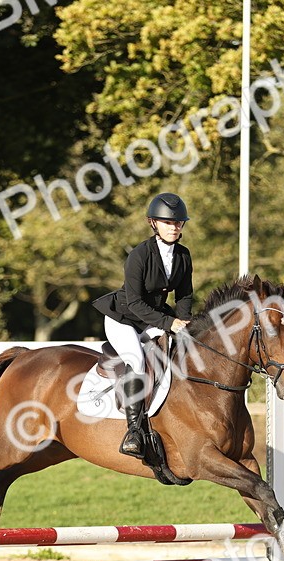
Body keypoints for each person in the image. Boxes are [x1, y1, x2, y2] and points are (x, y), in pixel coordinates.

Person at [92, 192, 195, 458]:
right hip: (123, 318)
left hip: (155, 318)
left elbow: (184, 295)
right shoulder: (139, 255)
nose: (174, 227)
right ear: (154, 223)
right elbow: (136, 303)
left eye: (178, 223)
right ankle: (133, 432)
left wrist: (185, 323)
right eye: (167, 222)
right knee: (137, 360)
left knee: (177, 352)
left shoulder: (183, 255)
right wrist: (170, 322)